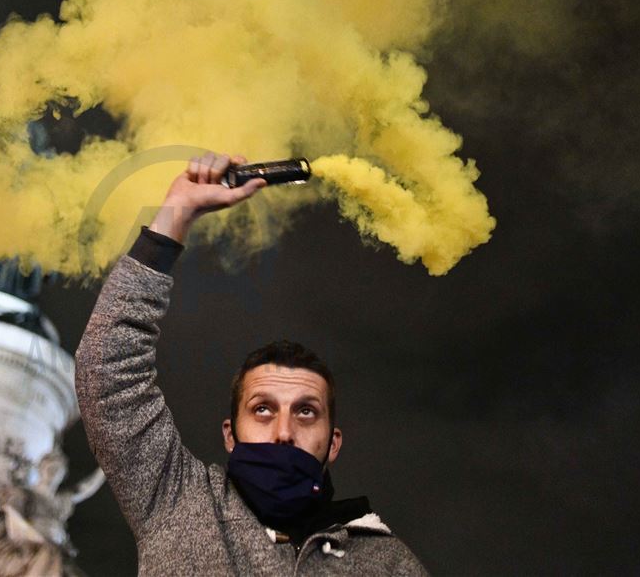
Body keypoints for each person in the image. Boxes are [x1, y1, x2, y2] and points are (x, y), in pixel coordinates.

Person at [76, 153, 428, 575]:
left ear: (333, 442)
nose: (283, 433)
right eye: (263, 409)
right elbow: (107, 370)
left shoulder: (387, 563)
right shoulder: (177, 498)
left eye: (306, 411)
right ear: (230, 433)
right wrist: (177, 212)